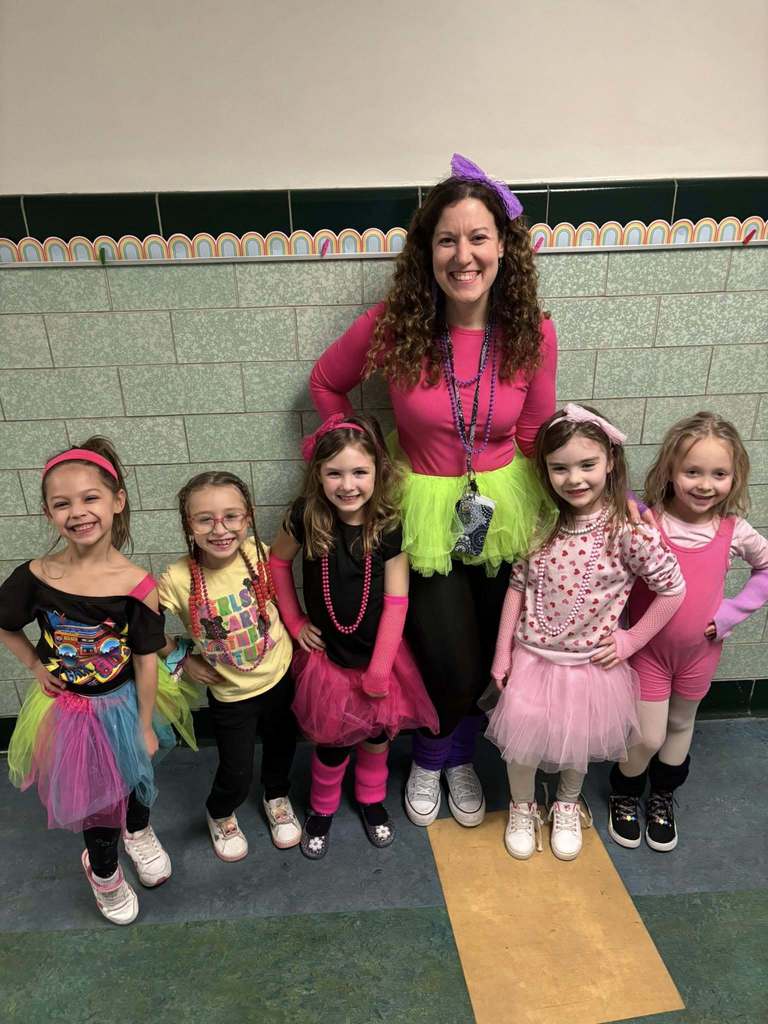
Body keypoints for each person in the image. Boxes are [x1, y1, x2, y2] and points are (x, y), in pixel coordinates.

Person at [309, 154, 558, 828]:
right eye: (447, 239)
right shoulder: (394, 326)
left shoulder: (533, 331)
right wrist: (349, 451)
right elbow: (327, 383)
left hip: (506, 508)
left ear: (504, 247)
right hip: (419, 508)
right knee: (450, 661)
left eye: (478, 237)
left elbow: (535, 428)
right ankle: (428, 755)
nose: (463, 254)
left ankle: (452, 757)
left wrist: (570, 509)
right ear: (428, 251)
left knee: (491, 658)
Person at [1, 438, 192, 925]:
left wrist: (145, 725)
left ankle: (138, 830)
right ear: (47, 513)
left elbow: (147, 660)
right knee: (97, 801)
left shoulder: (137, 586)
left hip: (126, 701)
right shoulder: (35, 576)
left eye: (90, 498)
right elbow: (5, 623)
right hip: (71, 712)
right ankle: (103, 870)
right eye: (62, 503)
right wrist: (37, 666)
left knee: (136, 779)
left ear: (117, 501)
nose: (78, 512)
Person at [487, 405, 686, 861]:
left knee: (575, 742)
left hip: (588, 666)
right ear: (546, 471)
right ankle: (522, 806)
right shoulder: (541, 521)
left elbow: (673, 589)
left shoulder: (629, 532)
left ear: (611, 462)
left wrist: (630, 641)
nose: (574, 478)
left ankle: (566, 803)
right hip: (532, 659)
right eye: (560, 468)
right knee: (524, 744)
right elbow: (518, 587)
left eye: (587, 464)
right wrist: (502, 653)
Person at [269, 413, 438, 859]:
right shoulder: (305, 518)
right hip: (328, 661)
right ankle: (322, 807)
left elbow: (397, 601)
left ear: (377, 472)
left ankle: (371, 799)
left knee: (377, 736)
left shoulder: (387, 526)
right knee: (331, 741)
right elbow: (277, 564)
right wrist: (295, 620)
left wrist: (381, 667)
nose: (348, 484)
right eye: (334, 473)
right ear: (317, 474)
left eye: (359, 472)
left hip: (380, 658)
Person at [608, 412, 768, 852]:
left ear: (735, 478)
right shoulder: (648, 524)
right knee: (648, 736)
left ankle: (662, 797)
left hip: (701, 653)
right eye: (692, 471)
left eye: (719, 474)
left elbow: (765, 568)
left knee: (681, 725)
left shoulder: (734, 531)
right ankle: (624, 792)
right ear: (670, 473)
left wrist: (734, 611)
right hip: (649, 652)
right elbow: (610, 486)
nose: (704, 484)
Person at [157, 471, 301, 861]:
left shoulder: (256, 554)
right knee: (236, 770)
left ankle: (276, 795)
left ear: (248, 517)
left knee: (281, 748)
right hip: (231, 694)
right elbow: (145, 626)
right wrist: (181, 657)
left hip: (280, 675)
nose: (220, 529)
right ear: (189, 524)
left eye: (231, 516)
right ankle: (220, 811)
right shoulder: (176, 578)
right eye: (205, 519)